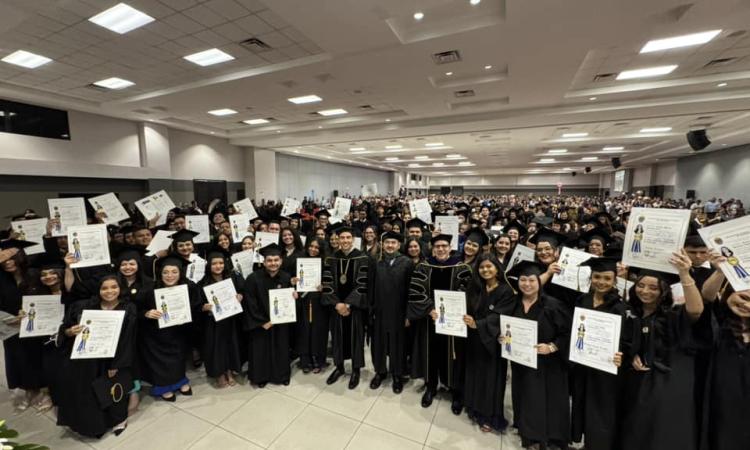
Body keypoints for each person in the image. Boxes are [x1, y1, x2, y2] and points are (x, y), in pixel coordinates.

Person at [619, 249, 706, 450]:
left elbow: (696, 310)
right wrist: (631, 356)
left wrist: (685, 274)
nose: (645, 291)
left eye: (653, 288)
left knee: (662, 430)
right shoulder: (632, 313)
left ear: (664, 290)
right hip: (638, 384)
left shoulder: (673, 315)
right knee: (638, 429)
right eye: (640, 285)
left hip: (667, 381)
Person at [55, 276, 136, 438]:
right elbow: (65, 328)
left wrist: (116, 364)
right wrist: (70, 331)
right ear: (98, 290)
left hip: (113, 360)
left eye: (114, 287)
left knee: (113, 391)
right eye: (104, 288)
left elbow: (129, 338)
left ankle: (118, 420)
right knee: (89, 393)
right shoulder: (83, 306)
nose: (109, 291)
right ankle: (93, 425)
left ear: (120, 288)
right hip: (86, 360)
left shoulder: (128, 308)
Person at [505, 261, 572, 449]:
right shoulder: (513, 303)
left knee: (549, 399)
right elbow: (507, 326)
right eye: (523, 280)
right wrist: (505, 338)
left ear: (539, 282)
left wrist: (552, 347)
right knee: (526, 396)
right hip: (523, 362)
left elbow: (567, 333)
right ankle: (530, 435)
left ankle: (552, 438)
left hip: (549, 364)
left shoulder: (553, 305)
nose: (527, 284)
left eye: (532, 280)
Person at [408, 234, 473, 412]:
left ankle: (456, 391)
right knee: (431, 353)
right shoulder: (423, 267)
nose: (441, 249)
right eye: (437, 246)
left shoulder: (462, 268)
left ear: (450, 247)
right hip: (430, 320)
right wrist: (429, 309)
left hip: (454, 323)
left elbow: (469, 292)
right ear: (432, 248)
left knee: (454, 355)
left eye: (444, 246)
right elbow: (416, 291)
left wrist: (455, 311)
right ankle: (431, 386)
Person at [570, 258, 627, 450]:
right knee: (581, 402)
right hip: (583, 363)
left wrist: (622, 354)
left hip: (604, 369)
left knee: (600, 408)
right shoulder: (582, 300)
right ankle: (586, 443)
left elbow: (626, 339)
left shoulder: (620, 307)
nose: (601, 282)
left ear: (614, 280)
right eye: (597, 277)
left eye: (607, 278)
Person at [463, 254, 515, 432]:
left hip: (493, 342)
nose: (485, 270)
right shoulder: (476, 287)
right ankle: (474, 407)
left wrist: (478, 323)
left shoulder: (506, 290)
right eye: (482, 267)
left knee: (491, 379)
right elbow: (465, 308)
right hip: (474, 338)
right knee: (475, 374)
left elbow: (501, 316)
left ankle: (490, 415)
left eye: (489, 267)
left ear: (497, 269)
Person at [138, 256, 201, 401]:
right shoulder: (150, 289)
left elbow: (196, 306)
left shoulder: (189, 287)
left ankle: (180, 381)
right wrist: (146, 313)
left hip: (180, 330)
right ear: (160, 274)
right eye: (165, 272)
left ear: (180, 273)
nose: (170, 276)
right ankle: (163, 387)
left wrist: (187, 314)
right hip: (156, 333)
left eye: (174, 272)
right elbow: (136, 308)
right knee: (161, 361)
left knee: (178, 357)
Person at [321, 226, 370, 389]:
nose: (345, 241)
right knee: (337, 337)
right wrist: (337, 304)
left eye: (348, 237)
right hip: (337, 307)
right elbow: (327, 284)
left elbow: (363, 284)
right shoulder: (331, 259)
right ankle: (339, 367)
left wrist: (348, 304)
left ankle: (355, 370)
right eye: (342, 238)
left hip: (354, 308)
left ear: (353, 239)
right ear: (338, 240)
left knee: (356, 338)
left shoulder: (363, 258)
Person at [702, 285, 750, 450]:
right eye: (743, 298)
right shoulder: (716, 322)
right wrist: (721, 270)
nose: (748, 306)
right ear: (728, 294)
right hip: (721, 405)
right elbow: (707, 296)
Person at [243, 243, 295, 387]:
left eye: (276, 260)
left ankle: (282, 375)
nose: (273, 263)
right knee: (261, 350)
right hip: (262, 324)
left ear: (281, 261)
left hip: (280, 322)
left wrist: (294, 296)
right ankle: (261, 377)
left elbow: (289, 301)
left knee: (281, 347)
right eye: (269, 260)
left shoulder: (286, 277)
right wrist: (262, 321)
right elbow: (249, 303)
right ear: (264, 262)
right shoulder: (253, 278)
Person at [369, 231, 413, 393]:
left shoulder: (407, 263)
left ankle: (397, 375)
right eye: (387, 242)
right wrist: (371, 310)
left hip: (399, 312)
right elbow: (371, 288)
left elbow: (411, 291)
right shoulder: (376, 262)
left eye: (393, 243)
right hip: (379, 311)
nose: (390, 245)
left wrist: (408, 314)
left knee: (397, 345)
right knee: (378, 343)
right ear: (382, 244)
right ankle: (380, 372)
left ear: (399, 245)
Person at [198, 250, 243, 388]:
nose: (218, 266)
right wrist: (203, 307)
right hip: (213, 322)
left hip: (230, 319)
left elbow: (243, 290)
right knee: (217, 347)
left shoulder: (233, 277)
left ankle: (229, 370)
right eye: (214, 264)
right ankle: (219, 372)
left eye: (221, 263)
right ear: (209, 265)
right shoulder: (202, 282)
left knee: (230, 345)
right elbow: (197, 305)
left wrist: (240, 296)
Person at [294, 237, 330, 373]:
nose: (313, 249)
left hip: (319, 302)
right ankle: (305, 360)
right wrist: (293, 280)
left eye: (316, 247)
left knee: (318, 331)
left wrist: (324, 286)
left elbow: (330, 281)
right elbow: (292, 280)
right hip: (303, 300)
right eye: (311, 246)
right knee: (304, 330)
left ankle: (318, 360)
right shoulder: (299, 260)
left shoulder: (326, 262)